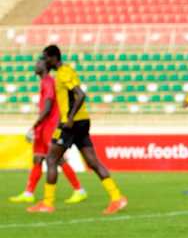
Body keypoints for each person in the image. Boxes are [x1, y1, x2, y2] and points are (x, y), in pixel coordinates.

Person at [28, 45, 127, 215]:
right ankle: (116, 197)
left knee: (51, 159)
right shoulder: (67, 70)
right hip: (81, 121)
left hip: (71, 123)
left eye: (45, 58)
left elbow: (80, 94)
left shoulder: (63, 73)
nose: (44, 61)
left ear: (53, 58)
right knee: (92, 162)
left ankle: (48, 203)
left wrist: (70, 118)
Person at [9, 59, 86, 205]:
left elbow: (49, 106)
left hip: (50, 126)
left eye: (38, 63)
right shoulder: (44, 81)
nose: (35, 65)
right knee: (38, 158)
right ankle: (29, 192)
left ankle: (79, 189)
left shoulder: (49, 81)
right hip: (43, 127)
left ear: (44, 67)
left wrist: (35, 124)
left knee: (57, 159)